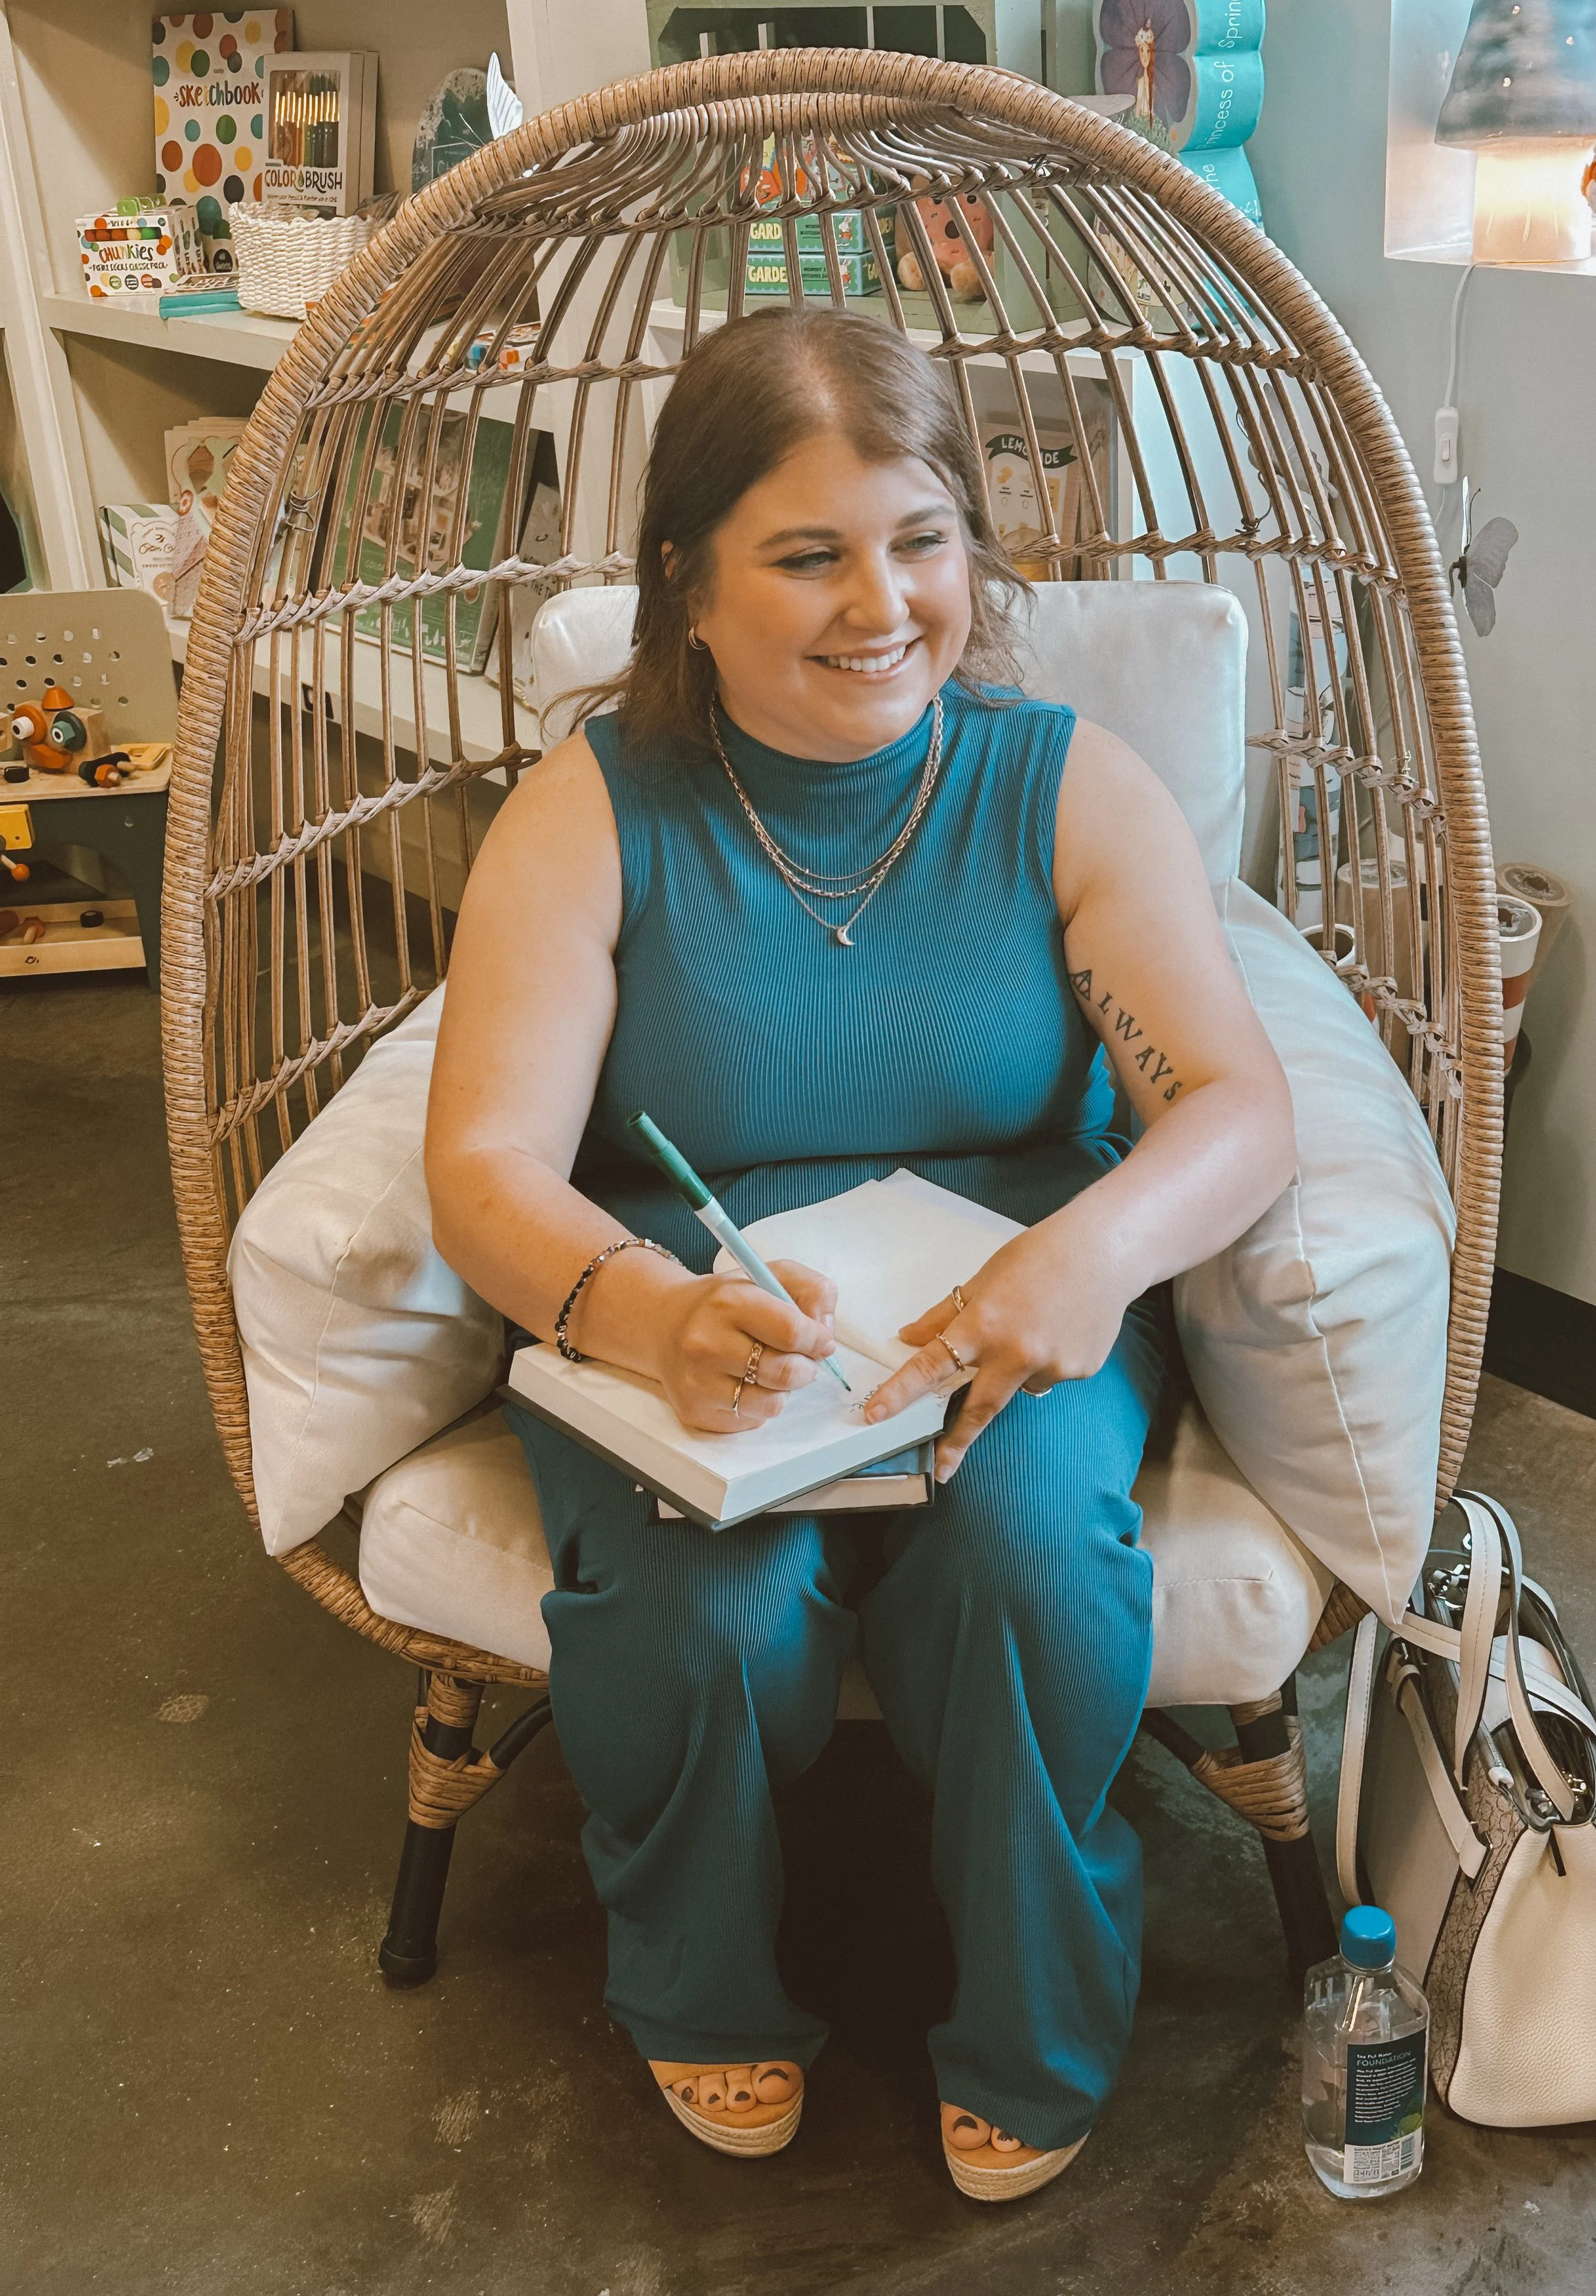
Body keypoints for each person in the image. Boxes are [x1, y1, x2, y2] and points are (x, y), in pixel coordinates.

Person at [424, 308, 1294, 2201]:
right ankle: (697, 1982)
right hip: (684, 1288)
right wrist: (647, 1311)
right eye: (805, 554)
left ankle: (1035, 2022)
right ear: (688, 580)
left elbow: (1233, 1105)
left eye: (918, 538)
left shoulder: (1059, 780)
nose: (882, 603)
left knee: (1025, 1554)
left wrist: (1088, 1257)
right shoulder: (590, 807)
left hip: (1012, 1279)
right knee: (702, 1610)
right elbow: (485, 1163)